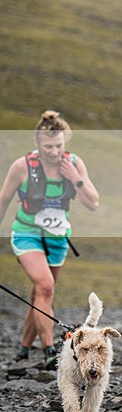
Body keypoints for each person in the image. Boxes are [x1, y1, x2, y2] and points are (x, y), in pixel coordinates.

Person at [0, 111, 99, 368]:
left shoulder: (74, 163)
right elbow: (3, 200)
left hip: (58, 238)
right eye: (48, 147)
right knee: (45, 287)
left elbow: (93, 203)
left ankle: (23, 350)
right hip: (27, 234)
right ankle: (49, 351)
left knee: (40, 294)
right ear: (37, 143)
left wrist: (75, 178)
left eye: (59, 146)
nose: (54, 151)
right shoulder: (22, 167)